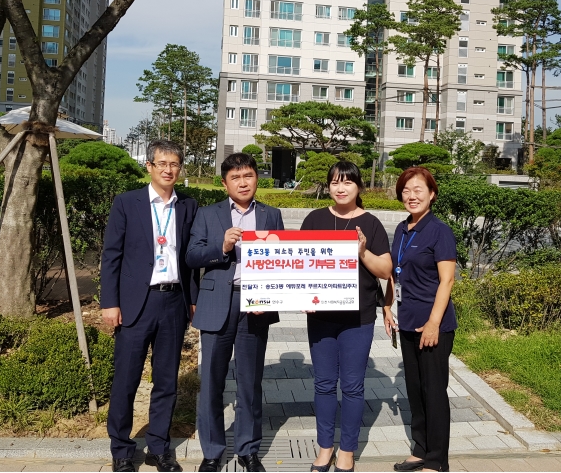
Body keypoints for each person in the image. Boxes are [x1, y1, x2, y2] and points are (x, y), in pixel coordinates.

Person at [100, 140, 198, 473]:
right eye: (162, 164)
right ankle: (123, 449)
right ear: (150, 166)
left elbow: (191, 260)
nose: (169, 169)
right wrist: (110, 303)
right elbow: (111, 256)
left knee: (167, 381)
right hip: (134, 304)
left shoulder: (188, 206)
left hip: (173, 302)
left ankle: (159, 447)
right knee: (126, 379)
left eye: (175, 164)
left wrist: (193, 300)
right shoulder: (128, 203)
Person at [187, 153, 285, 473]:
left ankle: (248, 450)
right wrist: (222, 246)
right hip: (218, 303)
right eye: (235, 178)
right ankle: (213, 451)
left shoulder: (272, 215)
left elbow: (281, 262)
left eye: (248, 176)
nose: (243, 183)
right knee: (212, 383)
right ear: (224, 183)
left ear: (257, 178)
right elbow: (192, 256)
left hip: (255, 304)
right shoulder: (207, 215)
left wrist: (272, 298)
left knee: (249, 383)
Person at [302, 161, 393, 472]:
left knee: (353, 386)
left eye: (348, 183)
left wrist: (362, 252)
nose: (340, 188)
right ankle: (325, 447)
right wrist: (301, 296)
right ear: (328, 186)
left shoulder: (371, 223)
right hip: (321, 316)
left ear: (359, 187)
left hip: (358, 317)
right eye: (335, 182)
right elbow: (301, 264)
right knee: (324, 384)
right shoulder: (314, 219)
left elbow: (385, 270)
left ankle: (348, 450)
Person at [383, 167, 456, 473]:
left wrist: (433, 323)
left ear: (432, 194)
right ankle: (420, 449)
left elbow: (447, 281)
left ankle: (438, 461)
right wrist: (387, 307)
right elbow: (392, 271)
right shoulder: (402, 229)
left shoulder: (439, 230)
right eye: (406, 191)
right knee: (415, 388)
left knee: (434, 391)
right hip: (408, 321)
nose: (412, 196)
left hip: (433, 324)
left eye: (418, 190)